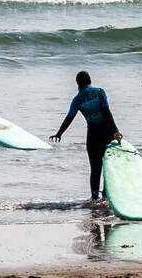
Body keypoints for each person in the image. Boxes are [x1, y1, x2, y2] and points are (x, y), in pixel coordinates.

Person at [51, 71, 122, 202]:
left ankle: (95, 197)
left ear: (77, 84)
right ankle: (106, 196)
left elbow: (70, 117)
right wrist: (115, 131)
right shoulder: (100, 91)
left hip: (93, 134)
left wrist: (59, 133)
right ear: (90, 80)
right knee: (108, 166)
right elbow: (107, 112)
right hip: (107, 132)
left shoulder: (77, 99)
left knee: (95, 168)